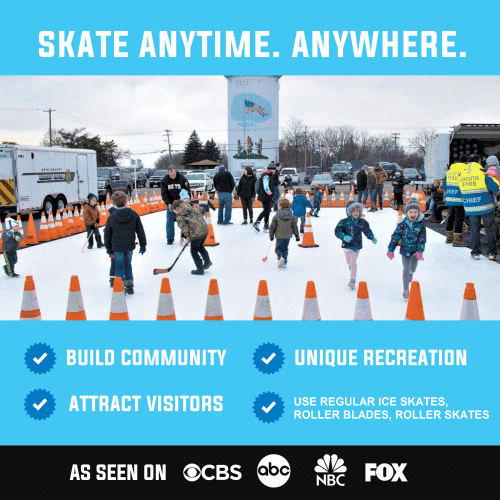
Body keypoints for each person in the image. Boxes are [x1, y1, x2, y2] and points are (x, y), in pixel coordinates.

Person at [458, 154, 500, 260]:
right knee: (490, 229)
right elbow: (495, 188)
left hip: (471, 206)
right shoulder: (483, 174)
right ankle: (492, 253)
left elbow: (460, 190)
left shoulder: (462, 175)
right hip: (485, 205)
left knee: (474, 230)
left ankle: (475, 253)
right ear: (479, 162)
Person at [104, 191, 147, 295]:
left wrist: (108, 248)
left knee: (119, 266)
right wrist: (143, 244)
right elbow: (140, 230)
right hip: (129, 246)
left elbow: (107, 234)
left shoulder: (112, 217)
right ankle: (130, 286)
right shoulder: (133, 214)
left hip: (117, 247)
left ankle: (120, 287)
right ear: (126, 201)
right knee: (128, 265)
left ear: (114, 203)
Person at [387, 197, 426, 300]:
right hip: (405, 251)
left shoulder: (421, 226)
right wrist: (391, 249)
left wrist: (420, 251)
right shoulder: (403, 225)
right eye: (410, 212)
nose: (413, 214)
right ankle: (406, 290)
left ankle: (411, 274)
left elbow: (422, 239)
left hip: (416, 251)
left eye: (415, 212)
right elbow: (396, 236)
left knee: (413, 268)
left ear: (418, 213)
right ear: (407, 213)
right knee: (405, 269)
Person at [335, 201, 377, 289]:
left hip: (356, 246)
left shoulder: (362, 222)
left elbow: (367, 231)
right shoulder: (343, 222)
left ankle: (352, 280)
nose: (356, 213)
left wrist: (372, 237)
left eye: (358, 211)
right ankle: (352, 273)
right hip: (346, 246)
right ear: (349, 212)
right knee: (349, 262)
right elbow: (337, 231)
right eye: (353, 211)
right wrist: (344, 236)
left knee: (353, 262)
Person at [172, 199, 211, 275]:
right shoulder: (193, 207)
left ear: (177, 208)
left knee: (194, 251)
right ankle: (207, 262)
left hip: (196, 234)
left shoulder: (180, 216)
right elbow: (202, 210)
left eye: (174, 210)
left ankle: (200, 269)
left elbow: (184, 228)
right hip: (204, 230)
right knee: (200, 247)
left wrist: (188, 237)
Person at [443, 154, 468, 246]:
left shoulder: (450, 171)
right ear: (466, 162)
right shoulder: (465, 170)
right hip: (460, 197)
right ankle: (457, 240)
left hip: (450, 197)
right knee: (459, 218)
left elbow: (444, 185)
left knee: (450, 217)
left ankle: (448, 237)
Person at [160, 167, 190, 245]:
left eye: (173, 174)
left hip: (181, 203)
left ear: (176, 172)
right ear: (168, 173)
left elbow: (187, 190)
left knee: (184, 221)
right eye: (170, 174)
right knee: (170, 221)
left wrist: (186, 201)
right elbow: (164, 193)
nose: (172, 176)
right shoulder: (164, 180)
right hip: (171, 203)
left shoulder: (182, 179)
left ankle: (184, 238)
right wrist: (168, 203)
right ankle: (170, 239)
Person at [269, 198, 299, 269]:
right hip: (288, 235)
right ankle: (285, 262)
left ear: (280, 206)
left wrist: (271, 235)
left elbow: (273, 225)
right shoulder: (291, 214)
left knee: (278, 249)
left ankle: (280, 258)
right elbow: (294, 225)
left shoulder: (277, 214)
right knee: (285, 249)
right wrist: (296, 235)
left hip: (279, 235)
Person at [253, 166, 275, 233]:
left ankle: (266, 226)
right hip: (265, 195)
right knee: (266, 210)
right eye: (274, 170)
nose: (274, 172)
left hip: (265, 196)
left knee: (268, 210)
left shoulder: (267, 175)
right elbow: (266, 186)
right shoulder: (266, 175)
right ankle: (257, 223)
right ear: (270, 170)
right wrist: (270, 194)